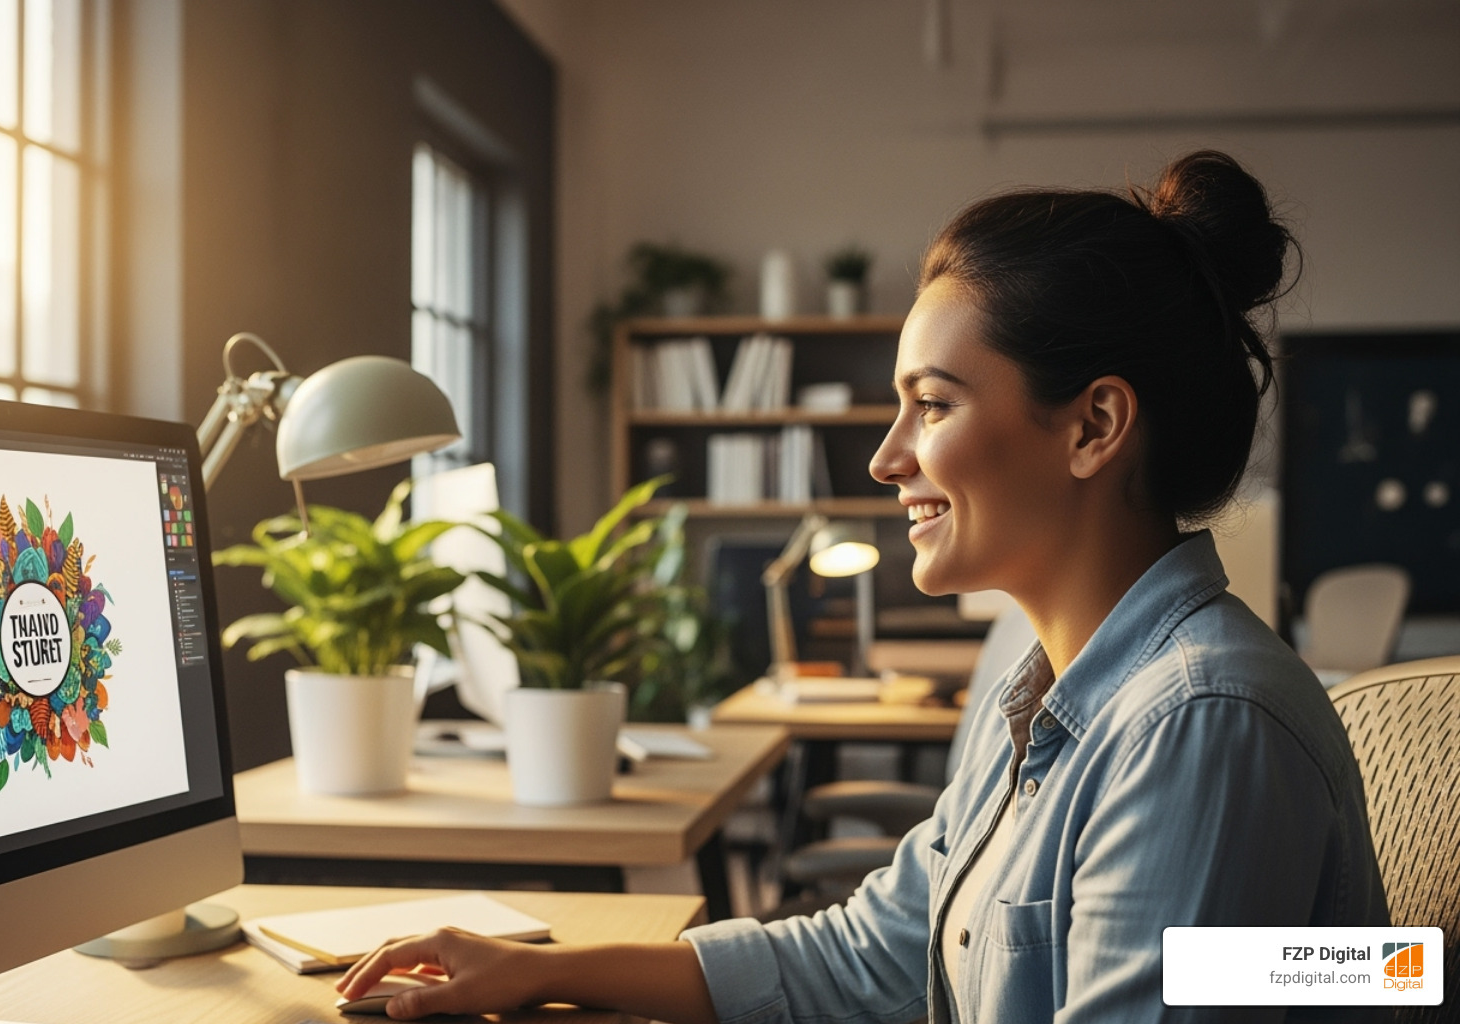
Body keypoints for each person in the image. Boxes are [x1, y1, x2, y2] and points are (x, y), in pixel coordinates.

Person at [336, 151, 1388, 1023]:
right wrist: (546, 968)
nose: (886, 459)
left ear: (1094, 427)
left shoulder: (1199, 724)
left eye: (931, 405)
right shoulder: (1040, 703)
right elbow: (873, 952)